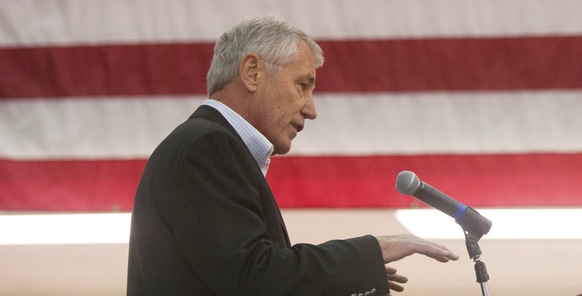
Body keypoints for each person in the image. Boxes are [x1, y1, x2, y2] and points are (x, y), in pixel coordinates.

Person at [127, 15, 458, 295]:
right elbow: (253, 277)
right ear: (252, 72)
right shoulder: (207, 146)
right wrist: (372, 250)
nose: (311, 110)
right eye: (303, 85)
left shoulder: (205, 144)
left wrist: (348, 276)